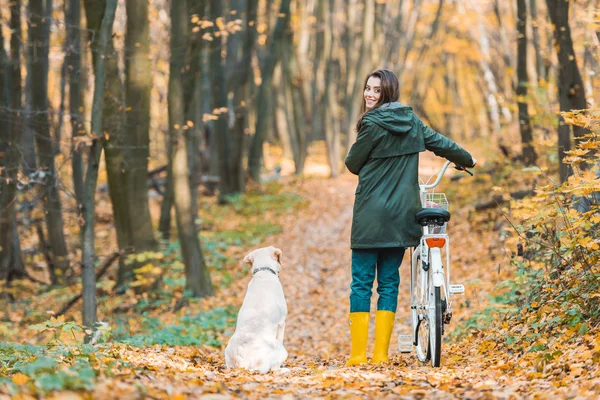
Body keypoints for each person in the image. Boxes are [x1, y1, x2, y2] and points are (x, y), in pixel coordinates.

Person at [344, 69, 476, 365]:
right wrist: (467, 159)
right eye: (367, 88)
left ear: (387, 93)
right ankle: (379, 356)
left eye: (376, 90)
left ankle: (357, 356)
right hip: (402, 215)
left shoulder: (370, 124)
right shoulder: (412, 123)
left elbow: (352, 163)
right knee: (389, 283)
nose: (369, 94)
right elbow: (440, 143)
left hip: (370, 215)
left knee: (361, 284)